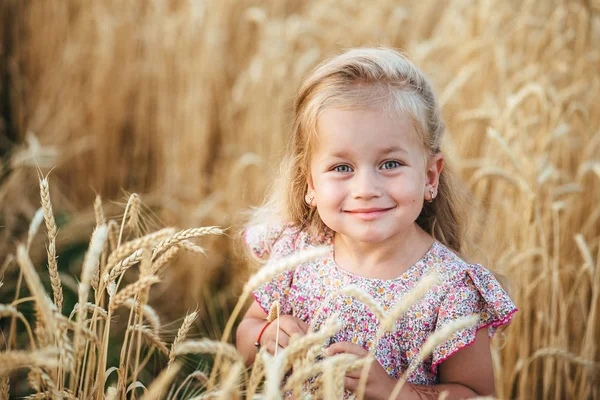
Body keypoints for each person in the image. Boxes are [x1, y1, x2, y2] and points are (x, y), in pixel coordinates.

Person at [235, 47, 517, 399]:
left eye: (390, 164)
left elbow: (477, 395)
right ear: (310, 185)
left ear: (430, 175)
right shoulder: (297, 253)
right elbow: (246, 334)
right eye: (342, 168)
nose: (366, 190)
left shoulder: (449, 289)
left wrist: (397, 391)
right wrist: (266, 335)